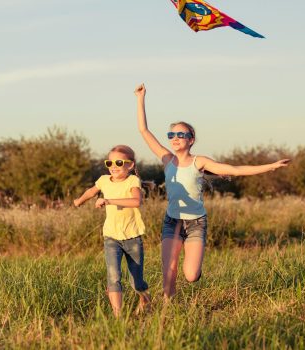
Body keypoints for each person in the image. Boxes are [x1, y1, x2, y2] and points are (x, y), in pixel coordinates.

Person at [134, 83, 290, 300]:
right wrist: (141, 98)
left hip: (196, 223)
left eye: (181, 134)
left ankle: (195, 271)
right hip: (172, 222)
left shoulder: (200, 162)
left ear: (191, 139)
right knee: (168, 272)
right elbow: (144, 131)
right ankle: (167, 310)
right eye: (172, 134)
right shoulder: (166, 159)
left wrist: (270, 166)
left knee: (190, 275)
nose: (175, 137)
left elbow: (234, 170)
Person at [74, 145, 151, 316]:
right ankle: (118, 315)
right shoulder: (103, 180)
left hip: (132, 237)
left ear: (130, 165)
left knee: (136, 281)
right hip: (111, 237)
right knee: (113, 276)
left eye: (118, 162)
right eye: (109, 162)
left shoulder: (132, 181)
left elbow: (136, 201)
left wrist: (108, 200)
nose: (113, 166)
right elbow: (91, 191)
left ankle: (144, 298)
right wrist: (79, 200)